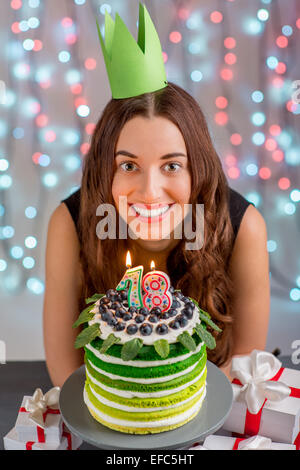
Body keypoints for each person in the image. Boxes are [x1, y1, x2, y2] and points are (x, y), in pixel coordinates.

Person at [43, 81, 270, 388]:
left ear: (198, 169)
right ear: (104, 170)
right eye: (128, 165)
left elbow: (246, 367)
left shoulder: (243, 225)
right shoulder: (69, 223)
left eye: (172, 165)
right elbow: (67, 378)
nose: (150, 193)